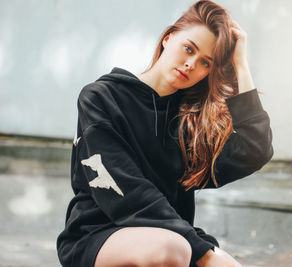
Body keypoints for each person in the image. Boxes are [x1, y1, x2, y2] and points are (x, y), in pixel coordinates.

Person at [56, 0, 273, 266]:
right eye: (188, 48)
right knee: (171, 250)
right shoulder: (102, 98)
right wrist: (202, 252)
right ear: (168, 39)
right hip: (100, 233)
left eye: (205, 62)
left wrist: (241, 65)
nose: (191, 64)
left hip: (172, 236)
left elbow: (254, 150)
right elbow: (126, 190)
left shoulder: (189, 123)